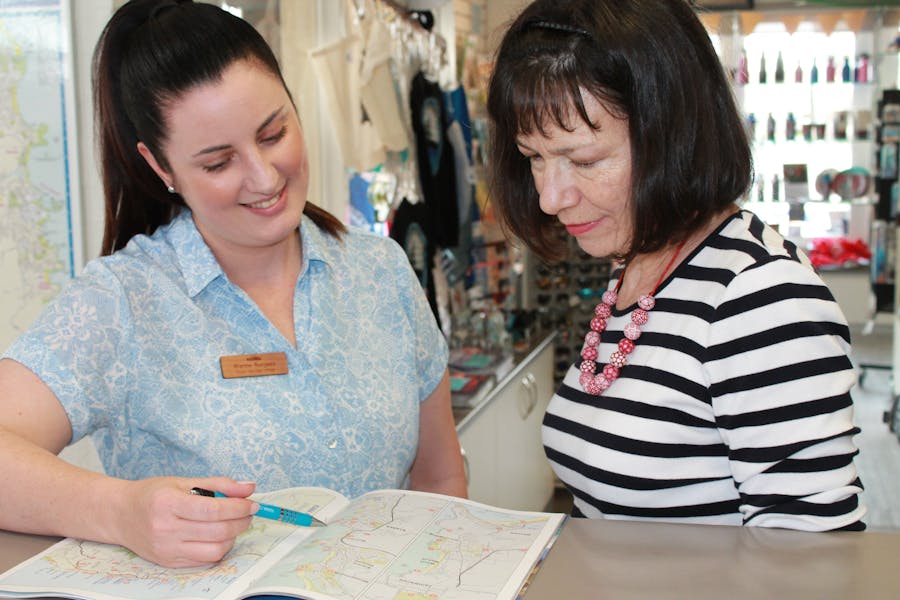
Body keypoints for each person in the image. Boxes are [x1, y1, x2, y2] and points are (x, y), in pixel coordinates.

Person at [0, 0, 465, 568]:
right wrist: (119, 511)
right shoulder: (123, 302)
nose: (264, 178)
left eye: (273, 134)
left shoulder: (382, 273)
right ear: (161, 168)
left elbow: (440, 478)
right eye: (218, 163)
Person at [486, 0, 865, 531]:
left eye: (586, 160)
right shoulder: (641, 260)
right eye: (534, 157)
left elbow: (810, 566)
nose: (550, 197)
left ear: (675, 135)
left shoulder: (760, 298)